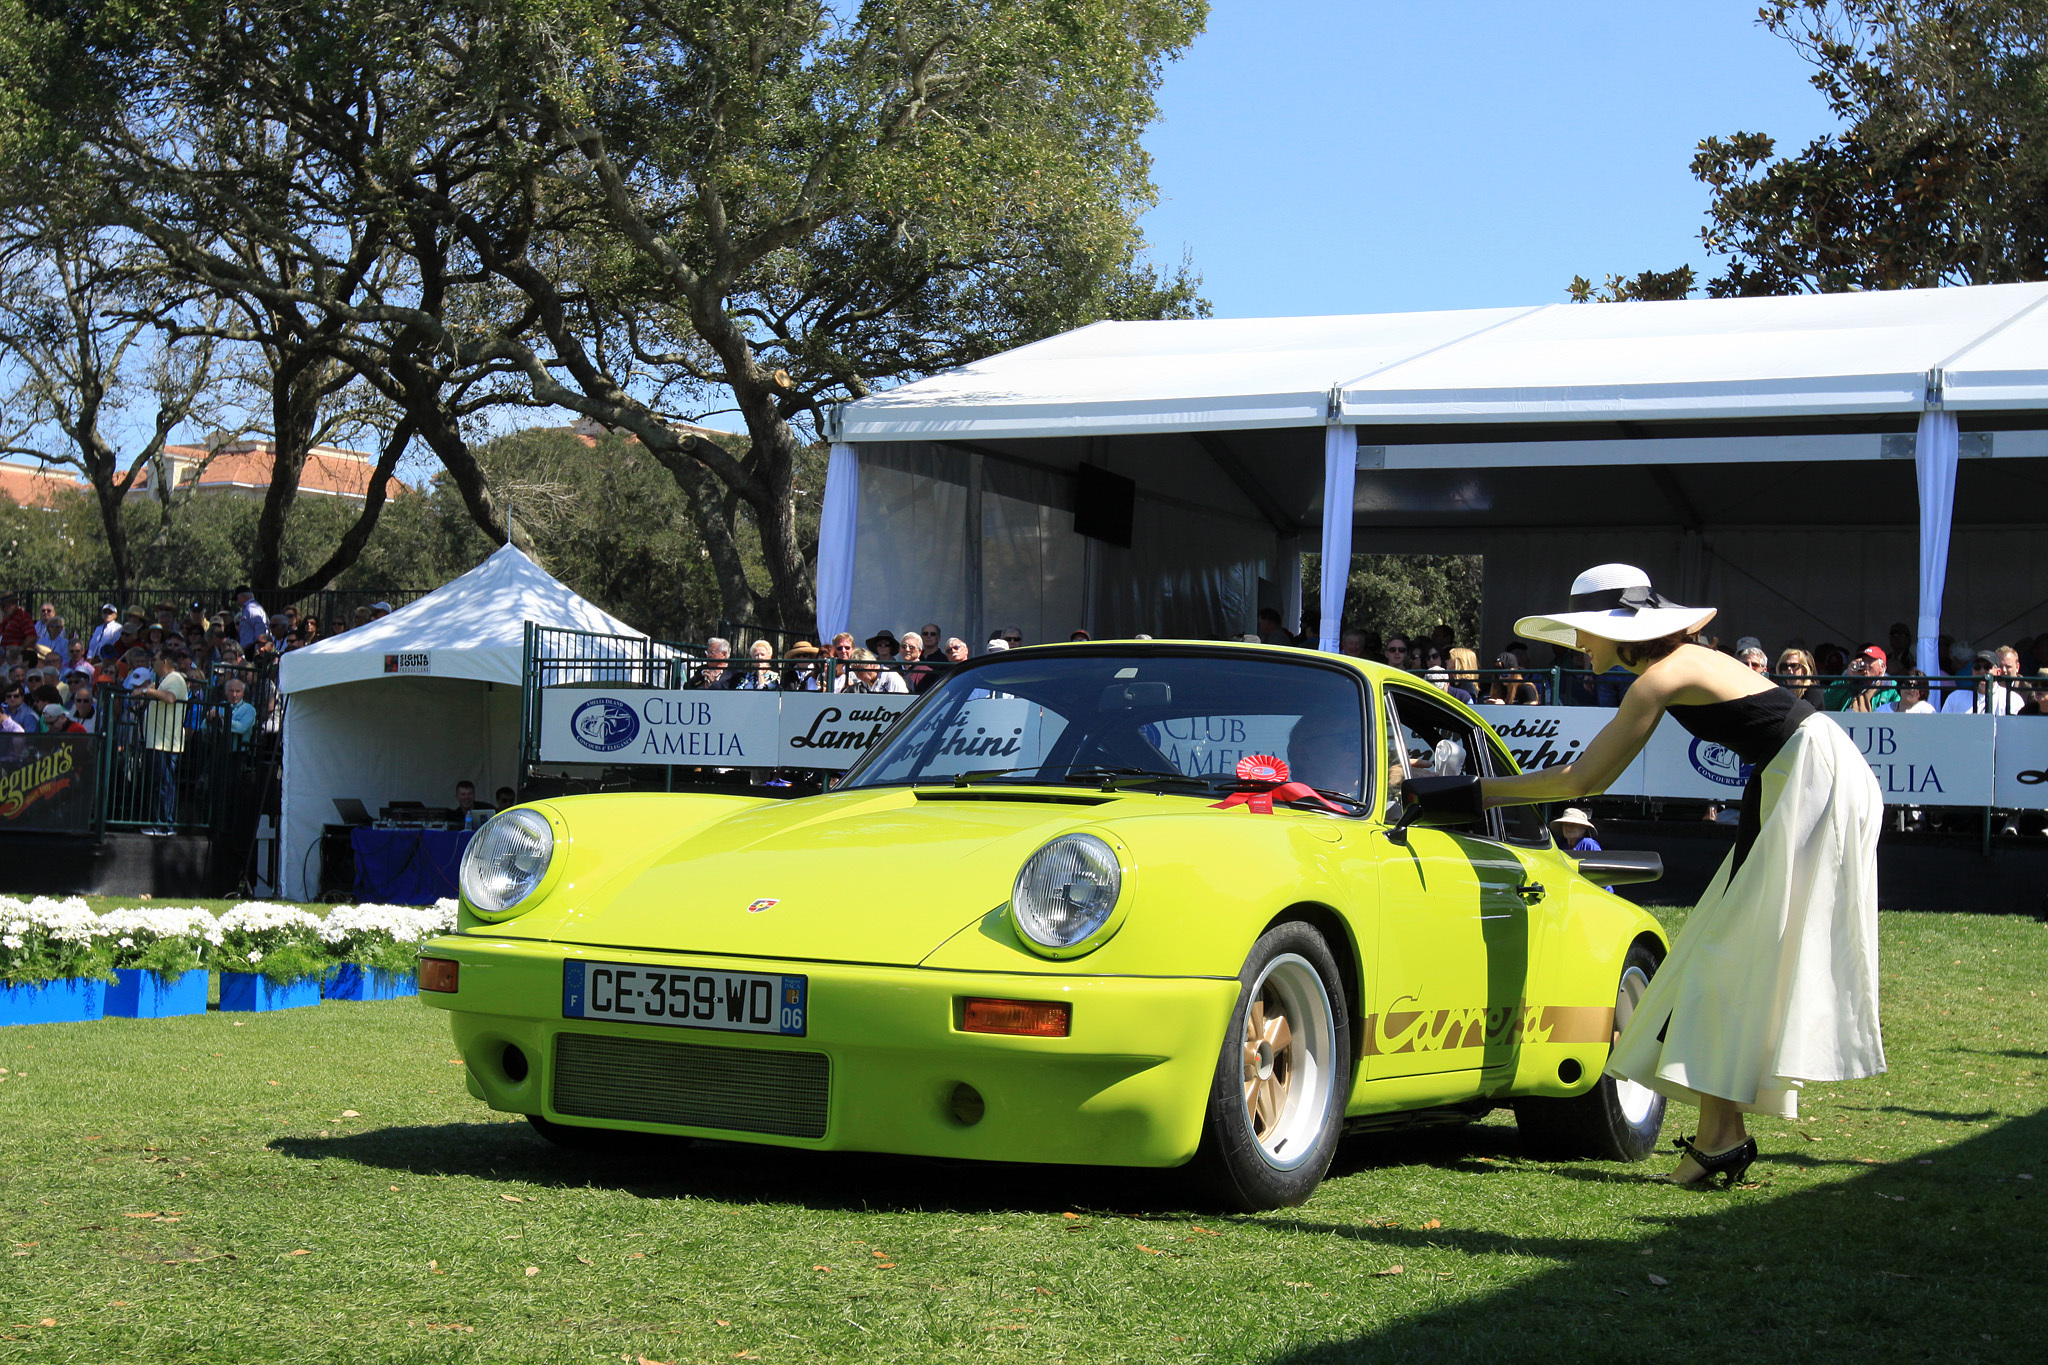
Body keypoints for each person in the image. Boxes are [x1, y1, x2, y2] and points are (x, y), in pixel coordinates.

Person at [1406, 564, 1883, 1187]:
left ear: (1619, 629)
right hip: (1799, 776)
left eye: (1584, 632)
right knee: (1720, 955)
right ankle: (1722, 1136)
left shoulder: (1661, 677)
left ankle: (1722, 1136)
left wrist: (1458, 792)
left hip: (1809, 778)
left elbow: (1580, 783)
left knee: (1724, 956)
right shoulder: (1674, 667)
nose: (1577, 646)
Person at [135, 649, 191, 836]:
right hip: (157, 742)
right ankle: (158, 823)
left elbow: (170, 698)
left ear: (165, 661)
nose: (152, 663)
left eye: (155, 659)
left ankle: (164, 825)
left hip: (165, 744)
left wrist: (146, 690)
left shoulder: (175, 678)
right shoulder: (165, 681)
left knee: (164, 784)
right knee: (158, 784)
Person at [1823, 646, 1898, 713]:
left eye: (1869, 661)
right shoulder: (1849, 682)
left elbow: (1899, 712)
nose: (1864, 664)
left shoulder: (1892, 687)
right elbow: (1827, 703)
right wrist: (1847, 678)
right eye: (1863, 661)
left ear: (1882, 666)